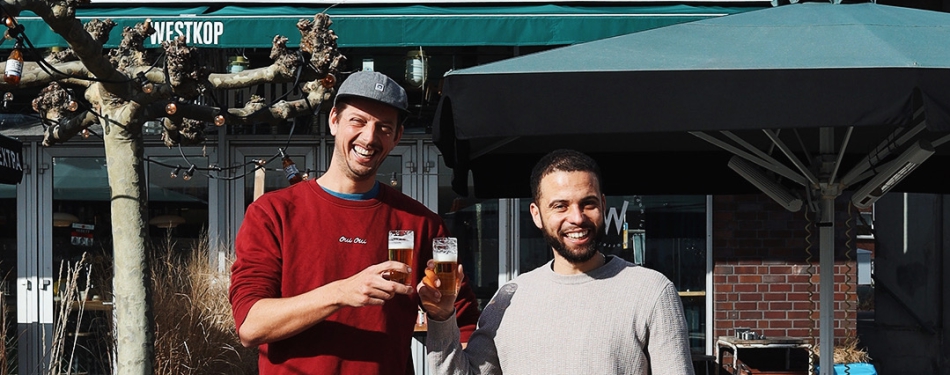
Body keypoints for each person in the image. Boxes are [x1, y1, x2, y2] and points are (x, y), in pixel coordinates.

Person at [229, 71, 480, 375]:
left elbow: (464, 332)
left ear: (397, 137)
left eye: (384, 127)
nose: (370, 137)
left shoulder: (422, 223)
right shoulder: (274, 213)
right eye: (358, 121)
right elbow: (250, 325)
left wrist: (442, 315)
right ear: (334, 120)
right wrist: (342, 292)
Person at [418, 149, 695, 375]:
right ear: (536, 215)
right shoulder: (509, 298)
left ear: (603, 204)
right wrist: (442, 319)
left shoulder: (650, 291)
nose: (577, 218)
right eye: (560, 206)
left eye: (588, 203)